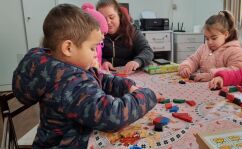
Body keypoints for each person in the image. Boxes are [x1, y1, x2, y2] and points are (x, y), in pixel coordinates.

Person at [12, 4, 163, 148]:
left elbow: (100, 78)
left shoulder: (61, 67)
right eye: (92, 48)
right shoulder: (70, 83)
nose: (95, 54)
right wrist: (146, 95)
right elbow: (113, 115)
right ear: (68, 48)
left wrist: (127, 85)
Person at [178, 10, 242, 82]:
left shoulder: (235, 51)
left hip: (223, 89)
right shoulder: (204, 48)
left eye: (214, 38)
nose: (210, 42)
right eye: (207, 38)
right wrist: (186, 67)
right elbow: (193, 60)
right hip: (204, 87)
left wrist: (212, 75)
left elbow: (237, 71)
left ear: (226, 34)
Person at [96, 0, 154, 74]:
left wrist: (137, 61)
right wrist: (103, 61)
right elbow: (92, 54)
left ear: (119, 16)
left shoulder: (132, 31)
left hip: (130, 74)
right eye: (103, 19)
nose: (108, 22)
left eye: (111, 17)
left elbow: (147, 51)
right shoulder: (96, 34)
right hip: (107, 75)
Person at [82, 2, 108, 69]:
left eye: (104, 33)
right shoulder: (85, 46)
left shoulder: (99, 44)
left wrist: (102, 63)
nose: (103, 36)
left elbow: (99, 59)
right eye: (101, 33)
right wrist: (93, 69)